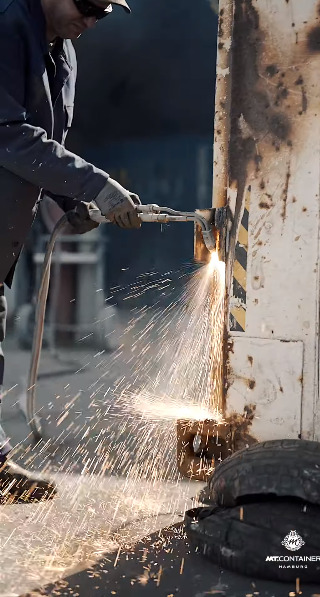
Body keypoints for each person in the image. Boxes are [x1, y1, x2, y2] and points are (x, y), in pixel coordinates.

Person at [0, 0, 141, 503]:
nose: (91, 20)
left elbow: (47, 141)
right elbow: (8, 134)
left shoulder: (64, 53)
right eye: (85, 6)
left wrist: (69, 198)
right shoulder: (8, 27)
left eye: (101, 13)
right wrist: (94, 184)